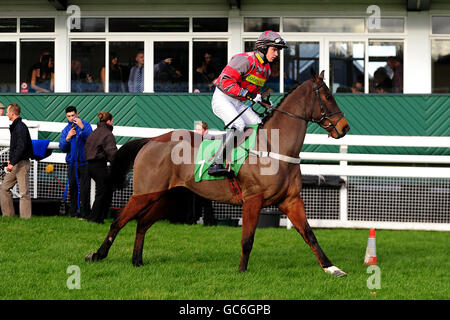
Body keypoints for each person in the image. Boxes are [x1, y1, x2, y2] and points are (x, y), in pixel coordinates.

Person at [208, 30, 287, 177]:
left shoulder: (266, 70)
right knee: (238, 125)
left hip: (238, 102)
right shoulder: (244, 60)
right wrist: (247, 94)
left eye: (278, 51)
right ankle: (216, 163)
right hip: (223, 98)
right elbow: (224, 82)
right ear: (263, 48)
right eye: (274, 50)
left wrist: (264, 101)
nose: (276, 54)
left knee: (258, 124)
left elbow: (254, 92)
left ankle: (248, 161)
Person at [0, 103, 33, 219]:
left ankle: (26, 218)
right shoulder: (16, 126)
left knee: (24, 192)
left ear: (13, 114)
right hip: (16, 163)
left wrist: (12, 162)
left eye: (8, 112)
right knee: (4, 188)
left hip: (21, 164)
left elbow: (21, 146)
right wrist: (11, 161)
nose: (6, 114)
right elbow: (17, 147)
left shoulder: (20, 127)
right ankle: (8, 216)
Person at [59, 106, 93, 219]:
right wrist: (67, 138)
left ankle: (85, 214)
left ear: (77, 114)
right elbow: (63, 148)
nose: (71, 118)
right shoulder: (65, 130)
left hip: (84, 163)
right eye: (69, 116)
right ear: (66, 117)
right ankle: (73, 213)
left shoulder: (86, 125)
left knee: (85, 189)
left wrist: (82, 127)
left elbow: (92, 140)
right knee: (73, 188)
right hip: (72, 163)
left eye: (73, 115)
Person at [84, 111, 118, 224]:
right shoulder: (108, 134)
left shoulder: (95, 132)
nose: (113, 123)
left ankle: (100, 218)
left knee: (106, 189)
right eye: (112, 121)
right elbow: (112, 152)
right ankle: (94, 218)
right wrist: (118, 164)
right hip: (99, 165)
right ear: (109, 121)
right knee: (102, 191)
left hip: (90, 166)